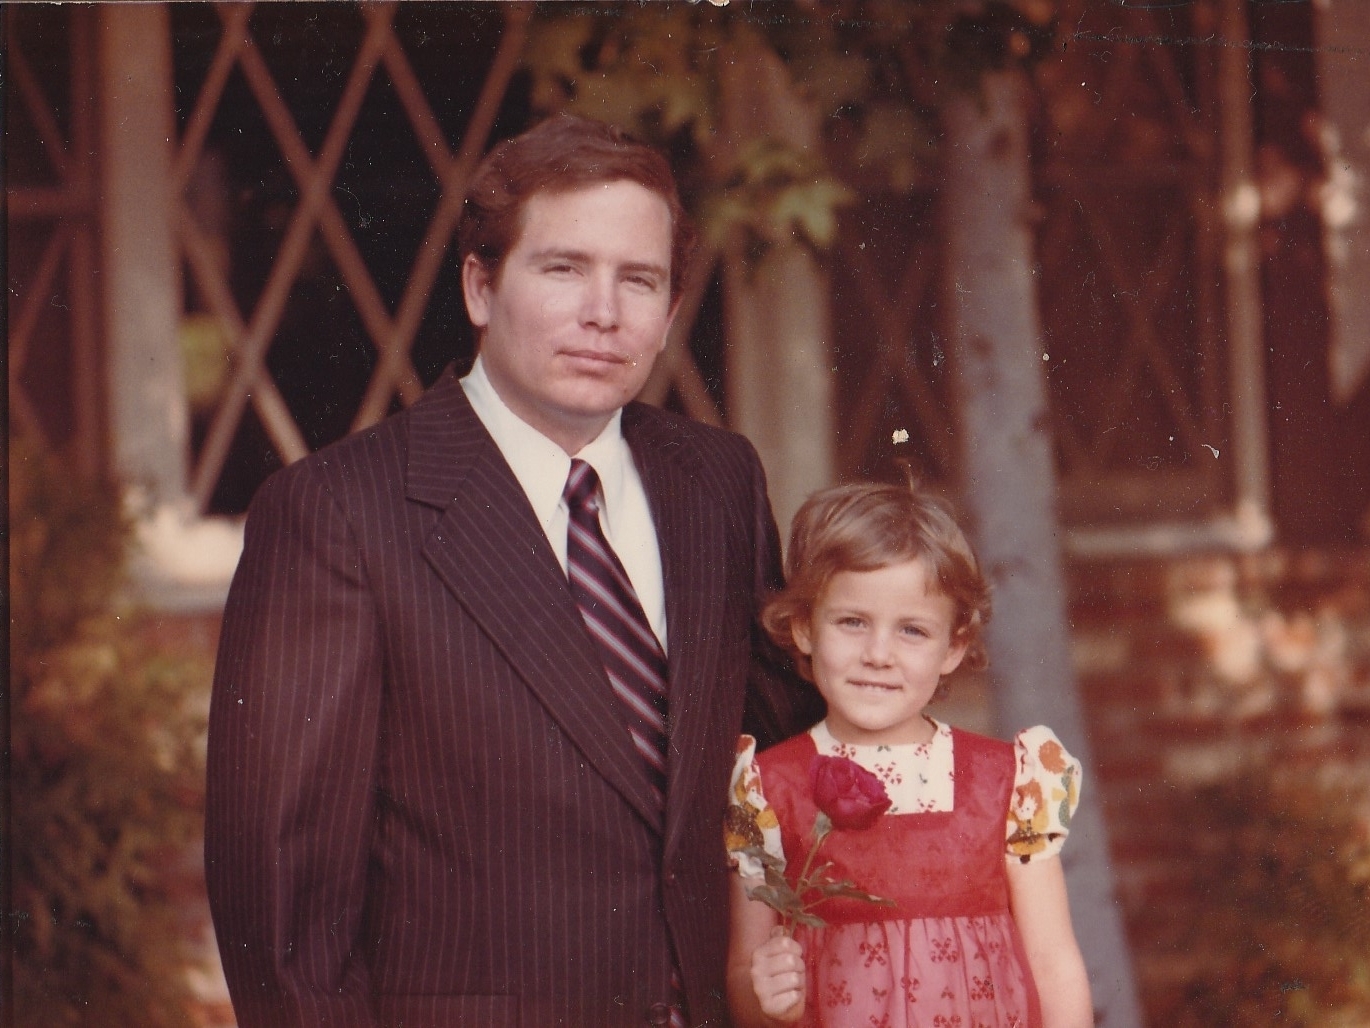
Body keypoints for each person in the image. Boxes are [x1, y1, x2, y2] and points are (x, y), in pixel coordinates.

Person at [205, 114, 817, 1028]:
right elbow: (284, 912)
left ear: (669, 315)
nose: (603, 312)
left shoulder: (718, 481)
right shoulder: (337, 514)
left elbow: (774, 770)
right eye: (563, 268)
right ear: (481, 288)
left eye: (638, 281)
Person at [724, 483, 1093, 1028]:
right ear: (803, 627)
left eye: (912, 631)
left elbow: (1053, 962)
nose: (878, 655)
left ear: (954, 648)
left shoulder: (1011, 781)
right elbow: (742, 979)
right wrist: (770, 1000)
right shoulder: (765, 788)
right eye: (851, 621)